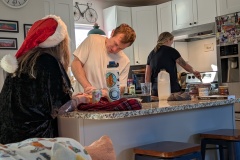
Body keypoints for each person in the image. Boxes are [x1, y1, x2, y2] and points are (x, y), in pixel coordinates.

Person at [0, 15, 87, 144]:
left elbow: (35, 101)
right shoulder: (48, 61)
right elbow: (61, 109)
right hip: (34, 140)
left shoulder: (21, 61)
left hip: (7, 139)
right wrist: (78, 100)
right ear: (60, 43)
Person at [71, 24, 136, 95]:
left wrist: (107, 93)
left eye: (120, 48)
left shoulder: (125, 61)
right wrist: (87, 87)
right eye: (115, 44)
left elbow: (121, 88)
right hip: (81, 99)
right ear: (112, 33)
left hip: (105, 103)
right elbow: (76, 64)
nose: (114, 49)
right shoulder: (92, 40)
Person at [145, 32, 201, 96]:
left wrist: (148, 94)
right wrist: (194, 71)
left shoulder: (151, 54)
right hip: (171, 90)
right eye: (172, 41)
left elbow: (147, 77)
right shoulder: (171, 51)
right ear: (167, 40)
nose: (172, 43)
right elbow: (185, 65)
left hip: (156, 92)